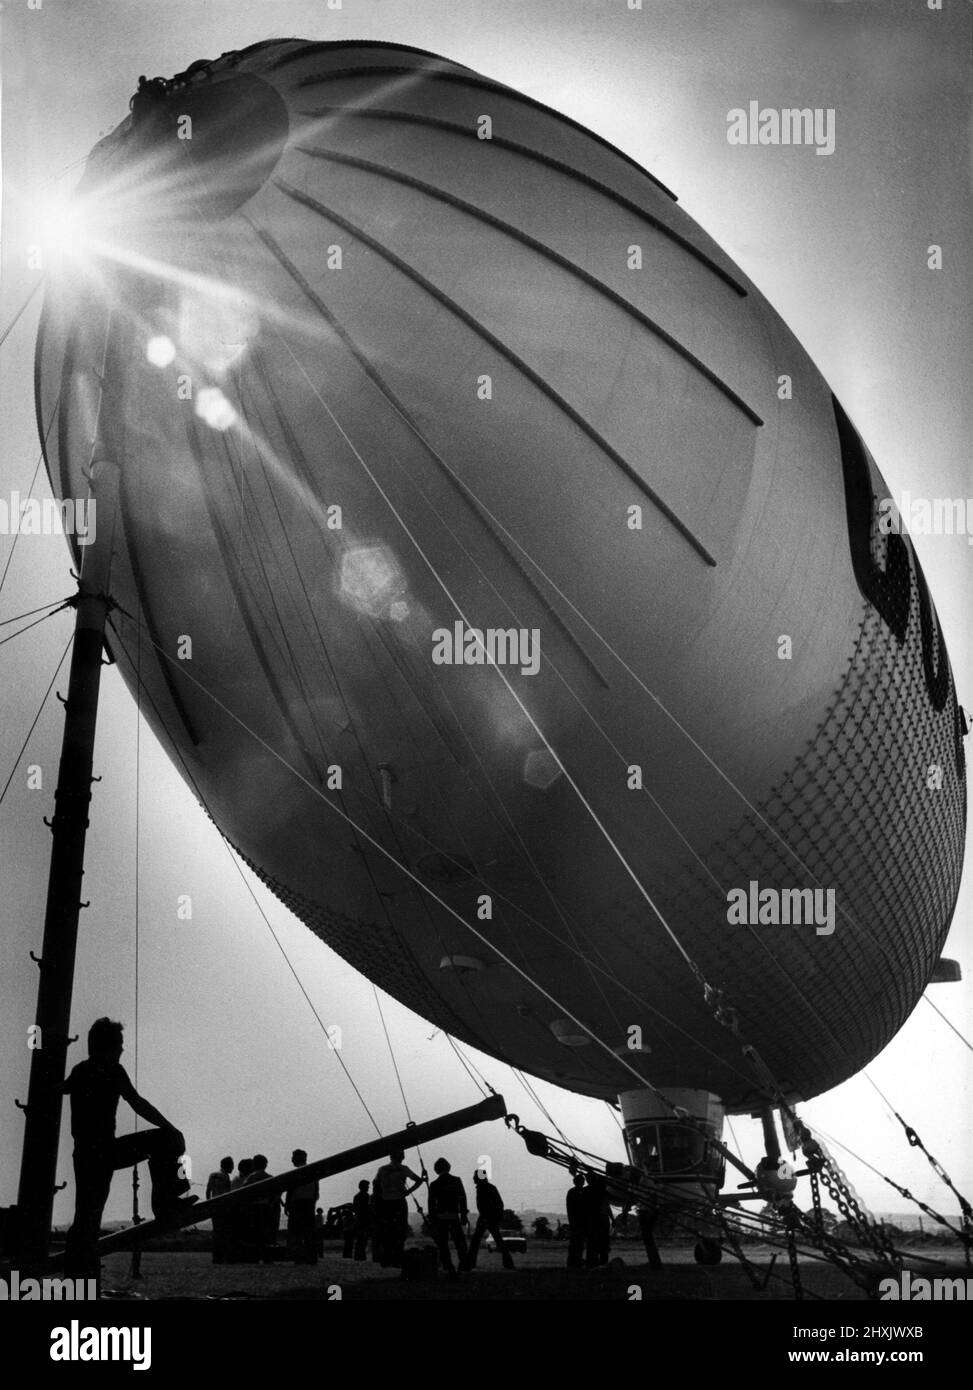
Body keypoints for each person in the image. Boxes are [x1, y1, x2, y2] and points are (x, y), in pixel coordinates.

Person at [63, 1018, 192, 1278]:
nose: (123, 1050)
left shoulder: (105, 1072)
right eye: (119, 1045)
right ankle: (80, 1279)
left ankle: (165, 1202)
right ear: (106, 1048)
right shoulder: (89, 1072)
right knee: (88, 1216)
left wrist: (170, 1128)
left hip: (102, 1152)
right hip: (93, 1155)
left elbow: (137, 1102)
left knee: (88, 1215)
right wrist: (171, 1129)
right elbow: (136, 1103)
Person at [371, 1148, 425, 1268]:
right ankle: (397, 1259)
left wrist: (378, 1199)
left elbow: (375, 1184)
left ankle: (385, 1259)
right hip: (399, 1202)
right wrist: (408, 1192)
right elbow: (419, 1180)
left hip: (385, 1203)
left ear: (391, 1157)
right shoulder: (404, 1169)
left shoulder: (382, 1169)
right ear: (402, 1157)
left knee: (387, 1231)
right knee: (400, 1232)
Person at [427, 1157, 469, 1280]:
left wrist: (432, 1220)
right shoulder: (456, 1180)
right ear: (448, 1167)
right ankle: (462, 1267)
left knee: (443, 1245)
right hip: (454, 1216)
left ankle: (449, 1268)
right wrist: (464, 1215)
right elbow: (462, 1198)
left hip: (440, 1219)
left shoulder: (434, 1184)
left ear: (436, 1170)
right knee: (460, 1244)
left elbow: (431, 1203)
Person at [464, 1171, 514, 1271]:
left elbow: (483, 1206)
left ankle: (470, 1263)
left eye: (474, 1177)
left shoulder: (482, 1189)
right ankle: (508, 1262)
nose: (473, 1178)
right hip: (490, 1218)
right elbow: (499, 1204)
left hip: (485, 1218)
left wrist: (486, 1217)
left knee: (475, 1241)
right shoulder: (490, 1187)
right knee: (498, 1240)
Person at [284, 1149, 318, 1265]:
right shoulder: (313, 1171)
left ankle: (298, 1257)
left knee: (296, 1232)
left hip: (297, 1204)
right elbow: (316, 1191)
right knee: (309, 1232)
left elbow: (290, 1190)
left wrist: (287, 1205)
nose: (292, 1159)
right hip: (309, 1203)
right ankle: (311, 1257)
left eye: (293, 1157)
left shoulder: (294, 1173)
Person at [246, 1154, 281, 1263]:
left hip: (255, 1207)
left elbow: (244, 1192)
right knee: (267, 1232)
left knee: (255, 1232)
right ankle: (268, 1257)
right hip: (266, 1207)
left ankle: (255, 1257)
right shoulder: (270, 1177)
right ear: (265, 1164)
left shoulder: (251, 1178)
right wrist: (271, 1202)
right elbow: (277, 1193)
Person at [206, 1156, 234, 1264]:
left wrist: (209, 1203)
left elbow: (208, 1190)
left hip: (214, 1205)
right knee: (224, 1232)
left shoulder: (213, 1175)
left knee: (216, 1231)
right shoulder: (226, 1177)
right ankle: (223, 1255)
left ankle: (216, 1256)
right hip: (224, 1206)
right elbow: (228, 1192)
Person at [582, 1172, 612, 1268]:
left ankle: (591, 1263)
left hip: (591, 1220)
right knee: (603, 1242)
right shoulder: (602, 1191)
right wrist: (613, 1219)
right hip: (602, 1219)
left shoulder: (585, 1191)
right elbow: (607, 1206)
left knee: (592, 1242)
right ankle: (603, 1262)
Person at [566, 1173, 586, 1269]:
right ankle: (576, 1261)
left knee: (575, 1243)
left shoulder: (572, 1192)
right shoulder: (580, 1192)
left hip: (575, 1221)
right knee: (578, 1244)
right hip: (579, 1222)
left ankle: (573, 1261)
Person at [351, 1180, 372, 1261]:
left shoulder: (356, 1196)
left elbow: (354, 1209)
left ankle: (358, 1256)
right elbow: (369, 1208)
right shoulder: (367, 1196)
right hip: (364, 1219)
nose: (368, 1188)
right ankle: (361, 1256)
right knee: (363, 1239)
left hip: (359, 1219)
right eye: (367, 1186)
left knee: (360, 1239)